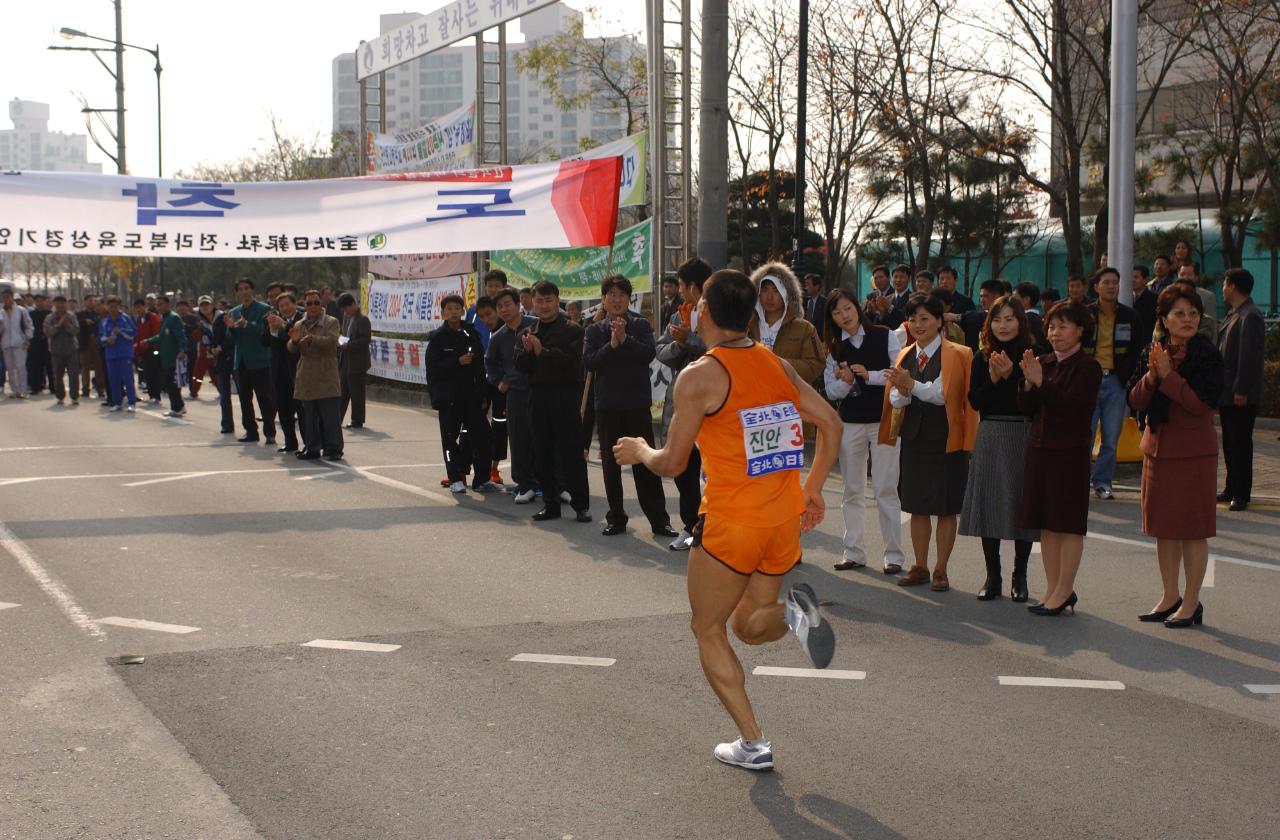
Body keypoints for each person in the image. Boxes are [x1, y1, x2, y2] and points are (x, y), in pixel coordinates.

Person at [613, 268, 843, 772]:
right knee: (749, 625)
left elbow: (672, 464)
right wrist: (813, 488)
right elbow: (831, 422)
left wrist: (639, 450)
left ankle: (754, 742)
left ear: (705, 312)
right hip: (782, 521)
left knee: (708, 627)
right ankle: (795, 614)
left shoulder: (700, 376)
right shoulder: (776, 364)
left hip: (731, 523)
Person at [1127, 284, 1223, 629]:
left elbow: (1200, 405)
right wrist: (1154, 375)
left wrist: (1169, 377)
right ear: (1164, 319)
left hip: (1193, 452)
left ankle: (1193, 601)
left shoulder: (1207, 355)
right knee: (1164, 529)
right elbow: (1136, 401)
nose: (1187, 319)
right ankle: (1170, 595)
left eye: (1193, 313)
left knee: (1192, 530)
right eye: (1179, 313)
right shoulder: (1152, 351)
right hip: (1158, 448)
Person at [879, 293, 978, 591]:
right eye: (913, 318)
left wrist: (909, 385)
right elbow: (896, 397)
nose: (918, 324)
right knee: (917, 506)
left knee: (946, 508)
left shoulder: (959, 353)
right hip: (914, 438)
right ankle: (920, 565)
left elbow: (942, 393)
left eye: (925, 318)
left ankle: (941, 569)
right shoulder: (905, 353)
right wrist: (903, 390)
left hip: (948, 438)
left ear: (939, 320)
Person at [1017, 302, 1102, 616]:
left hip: (1070, 453)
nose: (1056, 333)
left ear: (1080, 330)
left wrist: (1041, 383)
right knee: (1046, 525)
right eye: (1052, 327)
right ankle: (1053, 588)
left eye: (1064, 326)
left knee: (1067, 525)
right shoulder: (1044, 361)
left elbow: (1073, 407)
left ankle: (1065, 589)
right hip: (1040, 450)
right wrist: (1026, 384)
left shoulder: (1087, 367)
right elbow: (1028, 408)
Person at [958, 296, 1039, 601]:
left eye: (1009, 318)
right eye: (997, 319)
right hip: (991, 432)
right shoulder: (982, 357)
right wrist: (993, 378)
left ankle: (1021, 575)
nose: (1003, 325)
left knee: (1022, 505)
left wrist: (1015, 377)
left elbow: (1036, 400)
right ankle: (993, 576)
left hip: (1024, 432)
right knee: (989, 504)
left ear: (1021, 321)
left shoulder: (1034, 354)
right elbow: (976, 401)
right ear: (988, 324)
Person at [583, 274, 675, 538]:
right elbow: (589, 362)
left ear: (628, 298)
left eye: (621, 294)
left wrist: (624, 339)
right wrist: (611, 345)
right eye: (611, 295)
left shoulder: (640, 324)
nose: (616, 299)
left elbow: (648, 354)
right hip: (608, 405)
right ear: (603, 299)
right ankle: (616, 518)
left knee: (645, 462)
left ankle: (660, 520)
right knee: (611, 464)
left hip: (636, 404)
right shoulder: (594, 329)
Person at [822, 288, 905, 572]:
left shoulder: (884, 335)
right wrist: (846, 381)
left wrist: (866, 375)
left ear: (857, 308)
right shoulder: (835, 347)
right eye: (836, 312)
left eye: (847, 308)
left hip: (885, 420)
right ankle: (853, 552)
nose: (844, 315)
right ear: (831, 318)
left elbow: (898, 374)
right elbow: (832, 390)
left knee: (886, 488)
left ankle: (893, 556)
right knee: (853, 490)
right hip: (850, 424)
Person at [515, 280, 591, 522]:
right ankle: (551, 504)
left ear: (558, 301)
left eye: (549, 300)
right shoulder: (527, 333)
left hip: (565, 397)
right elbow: (520, 366)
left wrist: (541, 352)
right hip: (538, 398)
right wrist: (528, 352)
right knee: (542, 452)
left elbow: (571, 364)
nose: (544, 305)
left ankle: (581, 505)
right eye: (539, 301)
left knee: (571, 452)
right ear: (532, 302)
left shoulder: (573, 330)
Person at [656, 256, 714, 550]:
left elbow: (719, 349)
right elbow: (661, 350)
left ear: (693, 286)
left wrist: (690, 339)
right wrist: (679, 342)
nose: (679, 291)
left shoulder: (717, 312)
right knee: (683, 469)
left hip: (711, 405)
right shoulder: (680, 314)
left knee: (710, 473)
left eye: (680, 285)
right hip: (681, 402)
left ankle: (709, 528)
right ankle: (690, 527)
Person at [1084, 268, 1142, 500]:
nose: (1111, 286)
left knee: (1111, 436)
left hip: (1116, 383)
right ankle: (1079, 480)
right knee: (1084, 436)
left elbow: (1137, 348)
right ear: (1096, 286)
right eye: (1106, 282)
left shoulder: (1131, 316)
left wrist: (1125, 376)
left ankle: (1102, 482)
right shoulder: (1084, 315)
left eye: (1115, 283)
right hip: (1088, 382)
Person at [427, 294, 495, 493]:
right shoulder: (437, 338)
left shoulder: (470, 332)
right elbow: (433, 370)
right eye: (449, 309)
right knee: (450, 440)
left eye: (457, 308)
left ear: (463, 311)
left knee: (483, 435)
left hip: (471, 397)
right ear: (443, 313)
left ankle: (482, 479)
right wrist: (456, 362)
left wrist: (483, 394)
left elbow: (480, 365)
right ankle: (455, 477)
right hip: (448, 398)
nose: (454, 312)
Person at [1217, 268, 1265, 512]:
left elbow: (1248, 357)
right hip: (1227, 392)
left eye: (1225, 284)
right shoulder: (1235, 313)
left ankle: (1241, 492)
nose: (1223, 289)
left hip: (1239, 393)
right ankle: (1231, 486)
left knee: (1240, 443)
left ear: (1233, 286)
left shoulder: (1250, 315)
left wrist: (1241, 389)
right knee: (1230, 441)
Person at [486, 288, 539, 502]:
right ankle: (524, 484)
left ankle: (547, 481)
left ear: (518, 304)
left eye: (508, 304)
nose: (504, 309)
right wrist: (499, 381)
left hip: (540, 388)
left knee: (543, 436)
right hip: (516, 392)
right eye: (499, 306)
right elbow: (489, 361)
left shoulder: (536, 325)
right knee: (518, 438)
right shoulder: (498, 337)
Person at [748, 262, 825, 386]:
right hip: (752, 395)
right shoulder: (746, 327)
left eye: (776, 290)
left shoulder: (804, 328)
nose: (769, 296)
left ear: (785, 294)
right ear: (758, 293)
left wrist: (777, 363)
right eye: (764, 290)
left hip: (788, 398)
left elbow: (816, 364)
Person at [289, 290, 344, 461]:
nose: (312, 306)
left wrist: (313, 339)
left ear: (322, 304)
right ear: (304, 305)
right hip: (306, 373)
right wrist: (295, 341)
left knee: (330, 416)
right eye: (309, 303)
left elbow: (333, 342)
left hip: (326, 371)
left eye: (316, 303)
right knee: (309, 416)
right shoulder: (299, 324)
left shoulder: (331, 322)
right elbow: (291, 348)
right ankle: (312, 447)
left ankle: (333, 448)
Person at [226, 279, 277, 444]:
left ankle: (270, 432)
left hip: (260, 361)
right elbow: (230, 338)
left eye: (247, 288)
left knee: (265, 398)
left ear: (252, 290)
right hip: (241, 362)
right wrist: (231, 328)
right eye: (240, 289)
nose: (244, 292)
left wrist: (246, 325)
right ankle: (250, 431)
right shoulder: (234, 312)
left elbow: (265, 333)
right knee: (244, 399)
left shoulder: (264, 309)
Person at [263, 291, 304, 453]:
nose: (285, 308)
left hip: (299, 371)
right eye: (281, 306)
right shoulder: (273, 319)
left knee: (302, 410)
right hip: (280, 372)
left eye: (288, 304)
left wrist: (284, 325)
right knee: (284, 409)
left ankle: (309, 443)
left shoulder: (303, 317)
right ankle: (290, 442)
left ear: (294, 304)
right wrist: (272, 330)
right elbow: (265, 341)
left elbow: (298, 337)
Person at [146, 295, 187, 417]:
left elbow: (181, 336)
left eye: (161, 304)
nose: (159, 307)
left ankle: (177, 408)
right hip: (166, 356)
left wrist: (182, 350)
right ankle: (179, 406)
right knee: (169, 383)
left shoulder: (173, 318)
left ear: (168, 305)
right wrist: (148, 341)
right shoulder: (164, 318)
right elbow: (161, 336)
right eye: (157, 305)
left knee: (171, 383)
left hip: (174, 356)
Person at [338, 292, 371, 430]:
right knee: (343, 391)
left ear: (353, 304)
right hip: (345, 360)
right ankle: (336, 418)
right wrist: (340, 340)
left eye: (346, 308)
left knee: (357, 392)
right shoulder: (347, 318)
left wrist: (349, 345)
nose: (345, 311)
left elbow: (365, 340)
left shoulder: (363, 320)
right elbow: (344, 334)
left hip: (357, 361)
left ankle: (357, 420)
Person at [98, 296, 137, 412]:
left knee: (128, 379)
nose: (113, 309)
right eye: (110, 306)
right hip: (111, 354)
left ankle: (131, 403)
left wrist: (121, 332)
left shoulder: (125, 319)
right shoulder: (104, 321)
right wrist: (108, 340)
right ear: (107, 307)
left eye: (115, 306)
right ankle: (117, 402)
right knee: (113, 380)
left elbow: (133, 333)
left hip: (124, 353)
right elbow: (101, 337)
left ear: (119, 307)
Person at [43, 296, 80, 405]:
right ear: (54, 304)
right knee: (58, 375)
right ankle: (60, 396)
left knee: (73, 375)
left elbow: (76, 331)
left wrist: (67, 324)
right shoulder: (49, 317)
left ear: (66, 304)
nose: (60, 305)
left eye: (62, 303)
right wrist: (59, 325)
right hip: (56, 351)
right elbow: (48, 332)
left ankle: (74, 396)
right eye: (58, 303)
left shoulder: (71, 316)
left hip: (71, 349)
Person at [0, 288, 34, 398]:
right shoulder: (1, 312)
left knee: (20, 367)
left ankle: (23, 389)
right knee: (10, 368)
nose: (6, 300)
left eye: (7, 297)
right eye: (4, 298)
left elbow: (28, 326)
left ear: (12, 297)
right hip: (6, 343)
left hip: (20, 342)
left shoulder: (21, 311)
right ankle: (15, 390)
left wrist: (27, 338)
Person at [1175, 262, 1218, 343]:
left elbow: (1212, 325)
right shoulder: (1170, 296)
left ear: (1196, 277)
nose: (1184, 277)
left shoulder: (1208, 296)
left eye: (1189, 274)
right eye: (1182, 274)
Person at [211, 300, 237, 435]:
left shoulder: (230, 318)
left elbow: (231, 339)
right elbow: (212, 340)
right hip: (221, 361)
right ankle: (227, 424)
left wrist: (220, 348)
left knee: (245, 395)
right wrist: (213, 349)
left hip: (235, 359)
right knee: (224, 395)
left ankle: (250, 427)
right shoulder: (209, 322)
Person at [959, 279, 1006, 352]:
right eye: (981, 296)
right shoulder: (979, 317)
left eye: (985, 296)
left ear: (997, 296)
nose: (982, 300)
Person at [131, 298, 162, 404]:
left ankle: (156, 395)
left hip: (153, 349)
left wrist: (152, 345)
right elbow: (137, 336)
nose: (138, 309)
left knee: (154, 372)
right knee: (147, 373)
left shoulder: (152, 317)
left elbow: (157, 333)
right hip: (143, 350)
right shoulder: (138, 320)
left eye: (140, 307)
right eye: (136, 308)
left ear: (144, 306)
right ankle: (152, 394)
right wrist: (138, 351)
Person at [76, 295, 105, 400]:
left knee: (99, 367)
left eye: (94, 301)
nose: (92, 303)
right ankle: (85, 389)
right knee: (85, 368)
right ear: (85, 302)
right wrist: (84, 322)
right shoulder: (80, 315)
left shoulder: (99, 314)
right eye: (89, 301)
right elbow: (76, 327)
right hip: (85, 343)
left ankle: (100, 388)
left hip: (97, 343)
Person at [192, 297, 218, 399]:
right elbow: (196, 337)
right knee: (198, 374)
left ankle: (222, 391)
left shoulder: (219, 318)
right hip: (204, 352)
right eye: (202, 305)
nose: (205, 307)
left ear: (212, 306)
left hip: (217, 352)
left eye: (207, 304)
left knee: (216, 374)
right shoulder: (198, 321)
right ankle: (194, 392)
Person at [26, 294, 51, 395]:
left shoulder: (50, 314)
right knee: (35, 366)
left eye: (42, 301)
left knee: (50, 366)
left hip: (47, 343)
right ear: (35, 302)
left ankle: (53, 387)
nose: (39, 303)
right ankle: (36, 387)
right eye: (37, 301)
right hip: (35, 343)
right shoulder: (30, 314)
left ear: (45, 302)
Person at [1013, 281, 1048, 351]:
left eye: (1014, 298)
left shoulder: (1026, 319)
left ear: (1026, 300)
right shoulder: (1038, 318)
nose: (1012, 302)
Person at [1132, 265, 1157, 339]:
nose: (1132, 280)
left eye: (1136, 277)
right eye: (1131, 277)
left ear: (1146, 279)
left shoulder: (1154, 299)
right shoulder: (1124, 297)